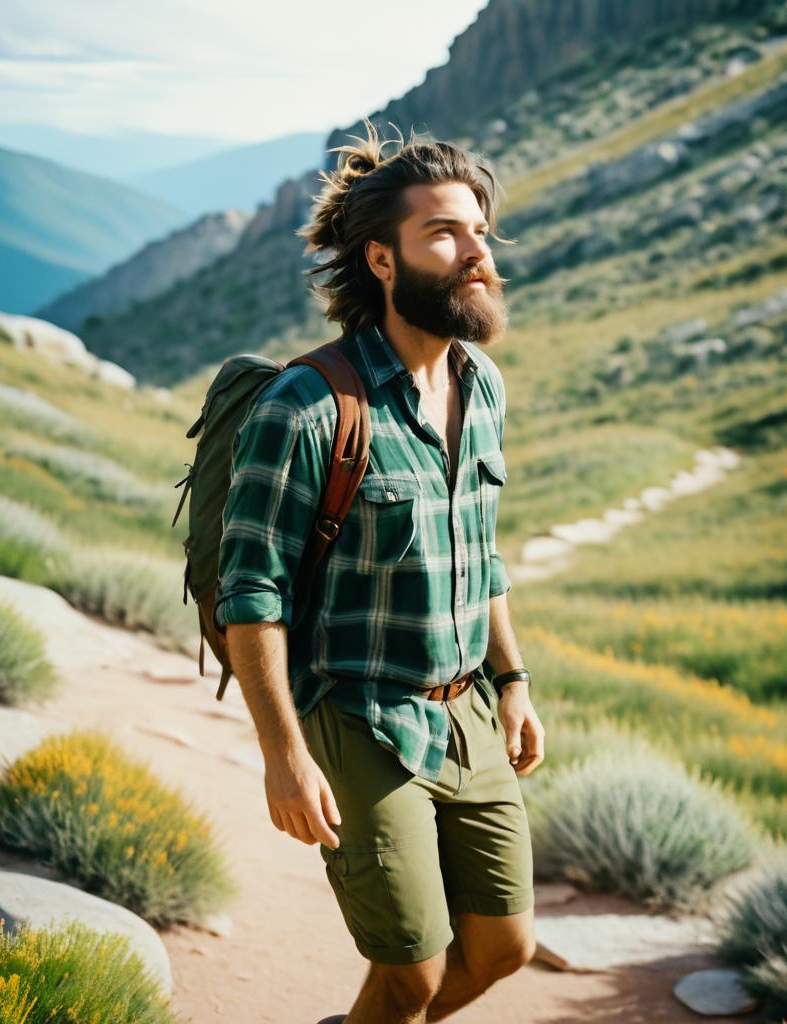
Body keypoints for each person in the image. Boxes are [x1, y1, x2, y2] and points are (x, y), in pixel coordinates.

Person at [214, 119, 545, 1024]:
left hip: (467, 708)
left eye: (479, 230)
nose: (476, 251)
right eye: (443, 232)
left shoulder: (482, 385)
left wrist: (511, 682)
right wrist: (283, 755)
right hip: (357, 712)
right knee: (412, 976)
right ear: (382, 261)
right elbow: (252, 592)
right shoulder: (310, 405)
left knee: (505, 950)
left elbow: (481, 549)